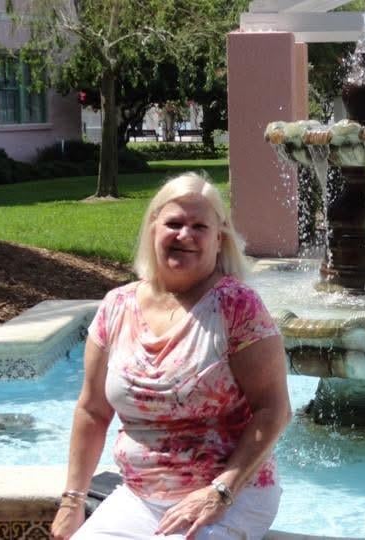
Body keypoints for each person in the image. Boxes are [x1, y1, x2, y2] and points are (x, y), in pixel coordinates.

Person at [51, 172, 292, 540]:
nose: (185, 235)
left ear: (218, 239)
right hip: (139, 498)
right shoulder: (117, 306)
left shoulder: (236, 307)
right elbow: (92, 410)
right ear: (153, 228)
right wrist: (72, 501)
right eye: (174, 223)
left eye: (199, 226)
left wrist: (221, 491)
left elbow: (273, 410)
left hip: (228, 496)